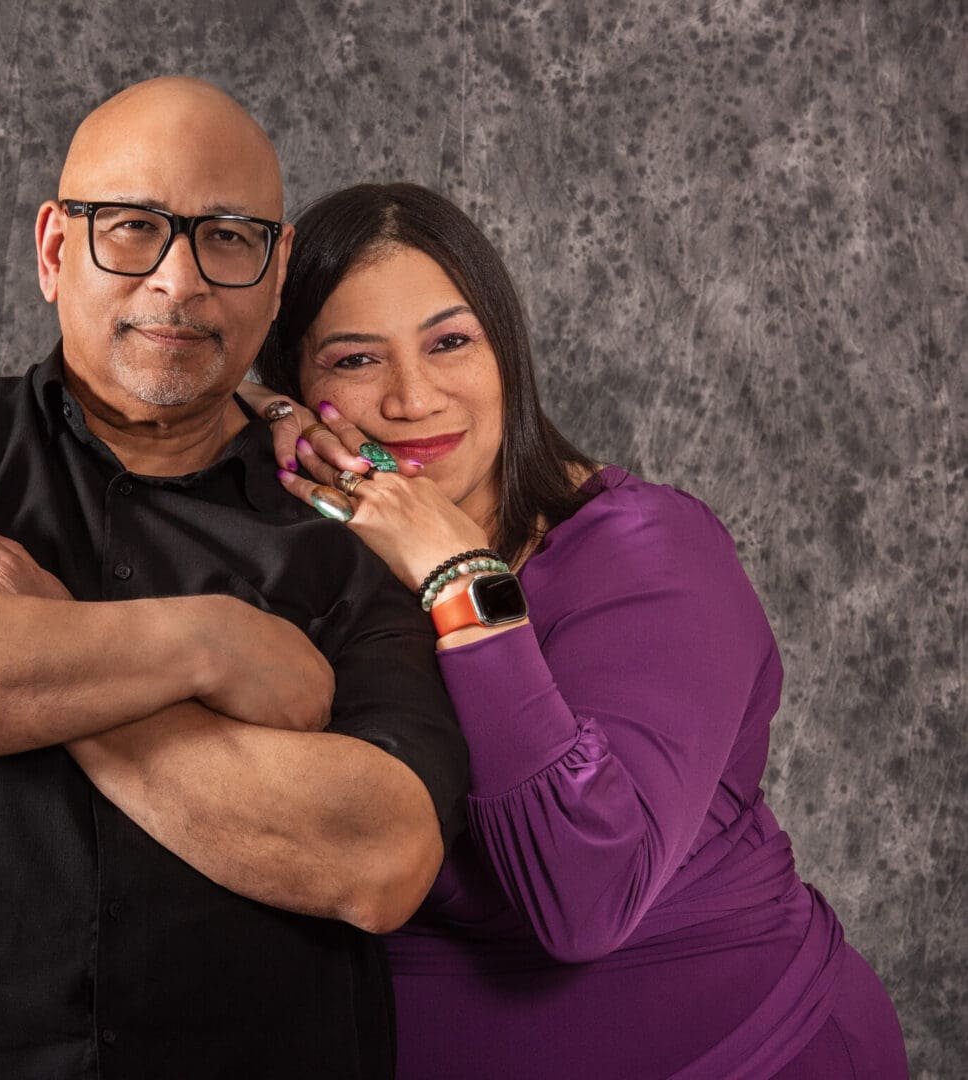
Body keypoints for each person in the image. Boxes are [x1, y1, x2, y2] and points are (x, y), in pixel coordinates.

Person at [0, 82, 468, 1079]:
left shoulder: (348, 524)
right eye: (132, 228)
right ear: (53, 250)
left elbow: (380, 857)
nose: (178, 283)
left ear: (277, 273)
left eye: (227, 236)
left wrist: (37, 636)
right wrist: (213, 644)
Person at [238, 183, 910, 1079]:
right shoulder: (310, 545)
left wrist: (460, 580)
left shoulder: (649, 551)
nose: (411, 397)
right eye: (356, 360)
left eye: (450, 342)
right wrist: (260, 411)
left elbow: (582, 898)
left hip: (741, 1054)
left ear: (506, 353)